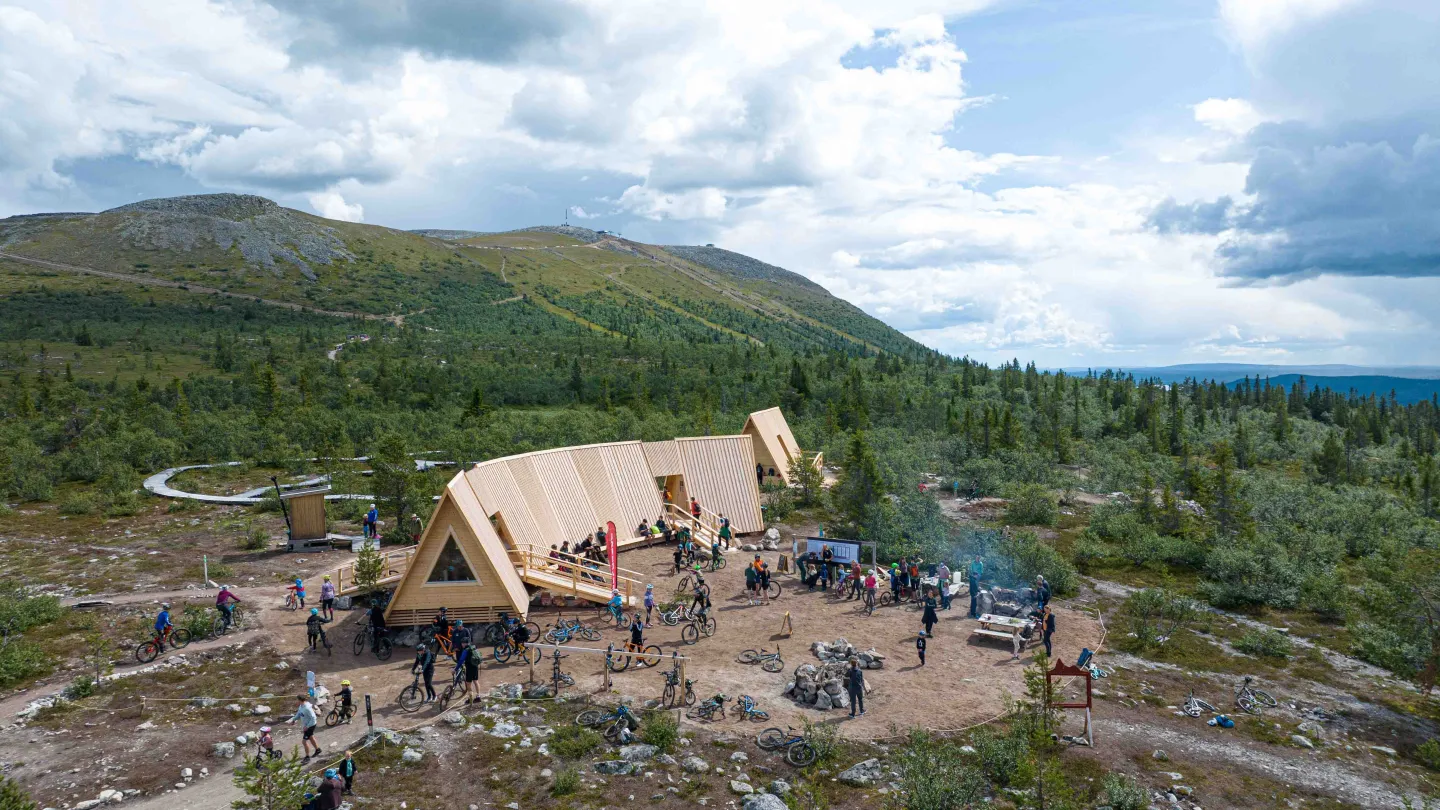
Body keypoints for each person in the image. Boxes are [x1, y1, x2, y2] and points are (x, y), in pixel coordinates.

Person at [286, 694, 321, 762]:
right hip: (306, 725)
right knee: (311, 737)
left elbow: (314, 718)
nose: (296, 701)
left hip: (310, 725)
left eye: (297, 700)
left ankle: (307, 757)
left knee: (304, 741)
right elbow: (299, 714)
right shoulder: (301, 706)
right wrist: (294, 720)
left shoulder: (307, 708)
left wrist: (307, 727)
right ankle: (318, 750)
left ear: (300, 700)